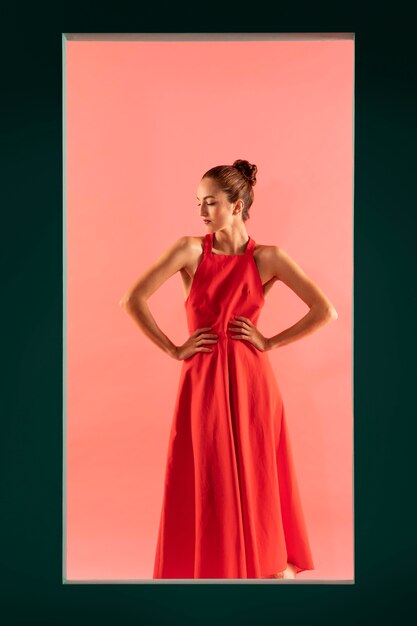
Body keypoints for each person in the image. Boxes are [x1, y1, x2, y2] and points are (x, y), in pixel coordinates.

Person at [120, 159, 338, 580]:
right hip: (202, 381)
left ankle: (265, 563)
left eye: (211, 203)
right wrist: (173, 348)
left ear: (237, 206)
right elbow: (132, 299)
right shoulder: (189, 250)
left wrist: (271, 341)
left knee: (255, 471)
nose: (202, 212)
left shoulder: (269, 257)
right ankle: (212, 564)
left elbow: (325, 311)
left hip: (252, 380)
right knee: (208, 472)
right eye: (199, 203)